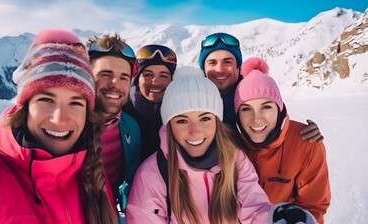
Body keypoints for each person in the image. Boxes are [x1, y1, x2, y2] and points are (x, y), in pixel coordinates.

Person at [0, 29, 117, 224]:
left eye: (75, 103)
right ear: (24, 108)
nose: (60, 118)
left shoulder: (95, 178)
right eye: (47, 99)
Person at [125, 66, 316, 224]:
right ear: (169, 125)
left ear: (218, 122)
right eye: (182, 121)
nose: (195, 131)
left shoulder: (233, 157)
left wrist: (274, 217)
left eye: (205, 118)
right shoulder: (153, 174)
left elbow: (254, 206)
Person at [234, 57, 331, 223]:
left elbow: (313, 206)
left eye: (266, 107)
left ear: (279, 110)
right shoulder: (229, 144)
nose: (257, 119)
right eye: (246, 109)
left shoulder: (305, 143)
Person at [198, 32, 324, 142]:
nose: (220, 69)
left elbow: (277, 123)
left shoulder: (254, 94)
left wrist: (300, 133)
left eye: (227, 62)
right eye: (212, 62)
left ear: (238, 67)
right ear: (203, 69)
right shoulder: (193, 100)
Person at [86, 34, 141, 213]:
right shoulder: (66, 123)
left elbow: (130, 181)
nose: (115, 84)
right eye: (105, 74)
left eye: (124, 77)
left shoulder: (130, 129)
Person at [123, 44, 177, 161]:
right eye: (147, 74)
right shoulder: (121, 113)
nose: (155, 82)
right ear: (137, 80)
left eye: (163, 76)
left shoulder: (178, 115)